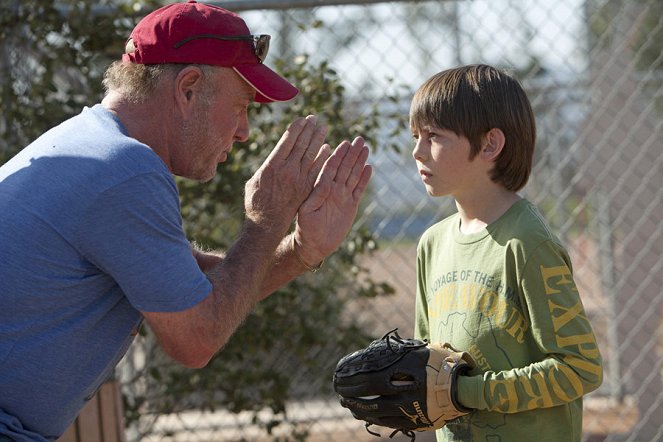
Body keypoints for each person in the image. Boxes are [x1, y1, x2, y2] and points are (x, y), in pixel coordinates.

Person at [0, 1, 372, 440]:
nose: (244, 131)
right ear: (189, 88)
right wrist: (267, 221)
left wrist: (302, 249)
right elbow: (197, 338)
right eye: (241, 105)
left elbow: (205, 291)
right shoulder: (124, 169)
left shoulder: (91, 146)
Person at [410, 64, 603, 441]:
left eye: (433, 136)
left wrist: (465, 392)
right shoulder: (431, 244)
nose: (417, 150)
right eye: (415, 135)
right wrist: (409, 384)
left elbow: (579, 368)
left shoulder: (528, 242)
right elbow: (428, 360)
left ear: (489, 145)